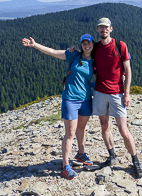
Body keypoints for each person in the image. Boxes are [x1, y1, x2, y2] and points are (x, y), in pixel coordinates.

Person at [22, 34, 95, 180]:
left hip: (86, 100)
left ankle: (81, 154)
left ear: (93, 44)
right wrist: (35, 45)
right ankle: (65, 166)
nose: (87, 46)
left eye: (89, 43)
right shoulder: (72, 54)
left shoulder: (95, 60)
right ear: (81, 45)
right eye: (84, 43)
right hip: (70, 99)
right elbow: (53, 52)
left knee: (81, 129)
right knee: (70, 132)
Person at [93, 17, 142, 178]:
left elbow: (128, 70)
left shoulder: (119, 45)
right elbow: (84, 56)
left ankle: (135, 160)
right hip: (100, 92)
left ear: (111, 29)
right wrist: (73, 49)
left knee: (123, 130)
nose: (103, 30)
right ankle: (112, 156)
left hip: (117, 93)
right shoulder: (94, 48)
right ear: (97, 30)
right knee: (104, 126)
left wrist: (127, 93)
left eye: (106, 28)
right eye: (100, 28)